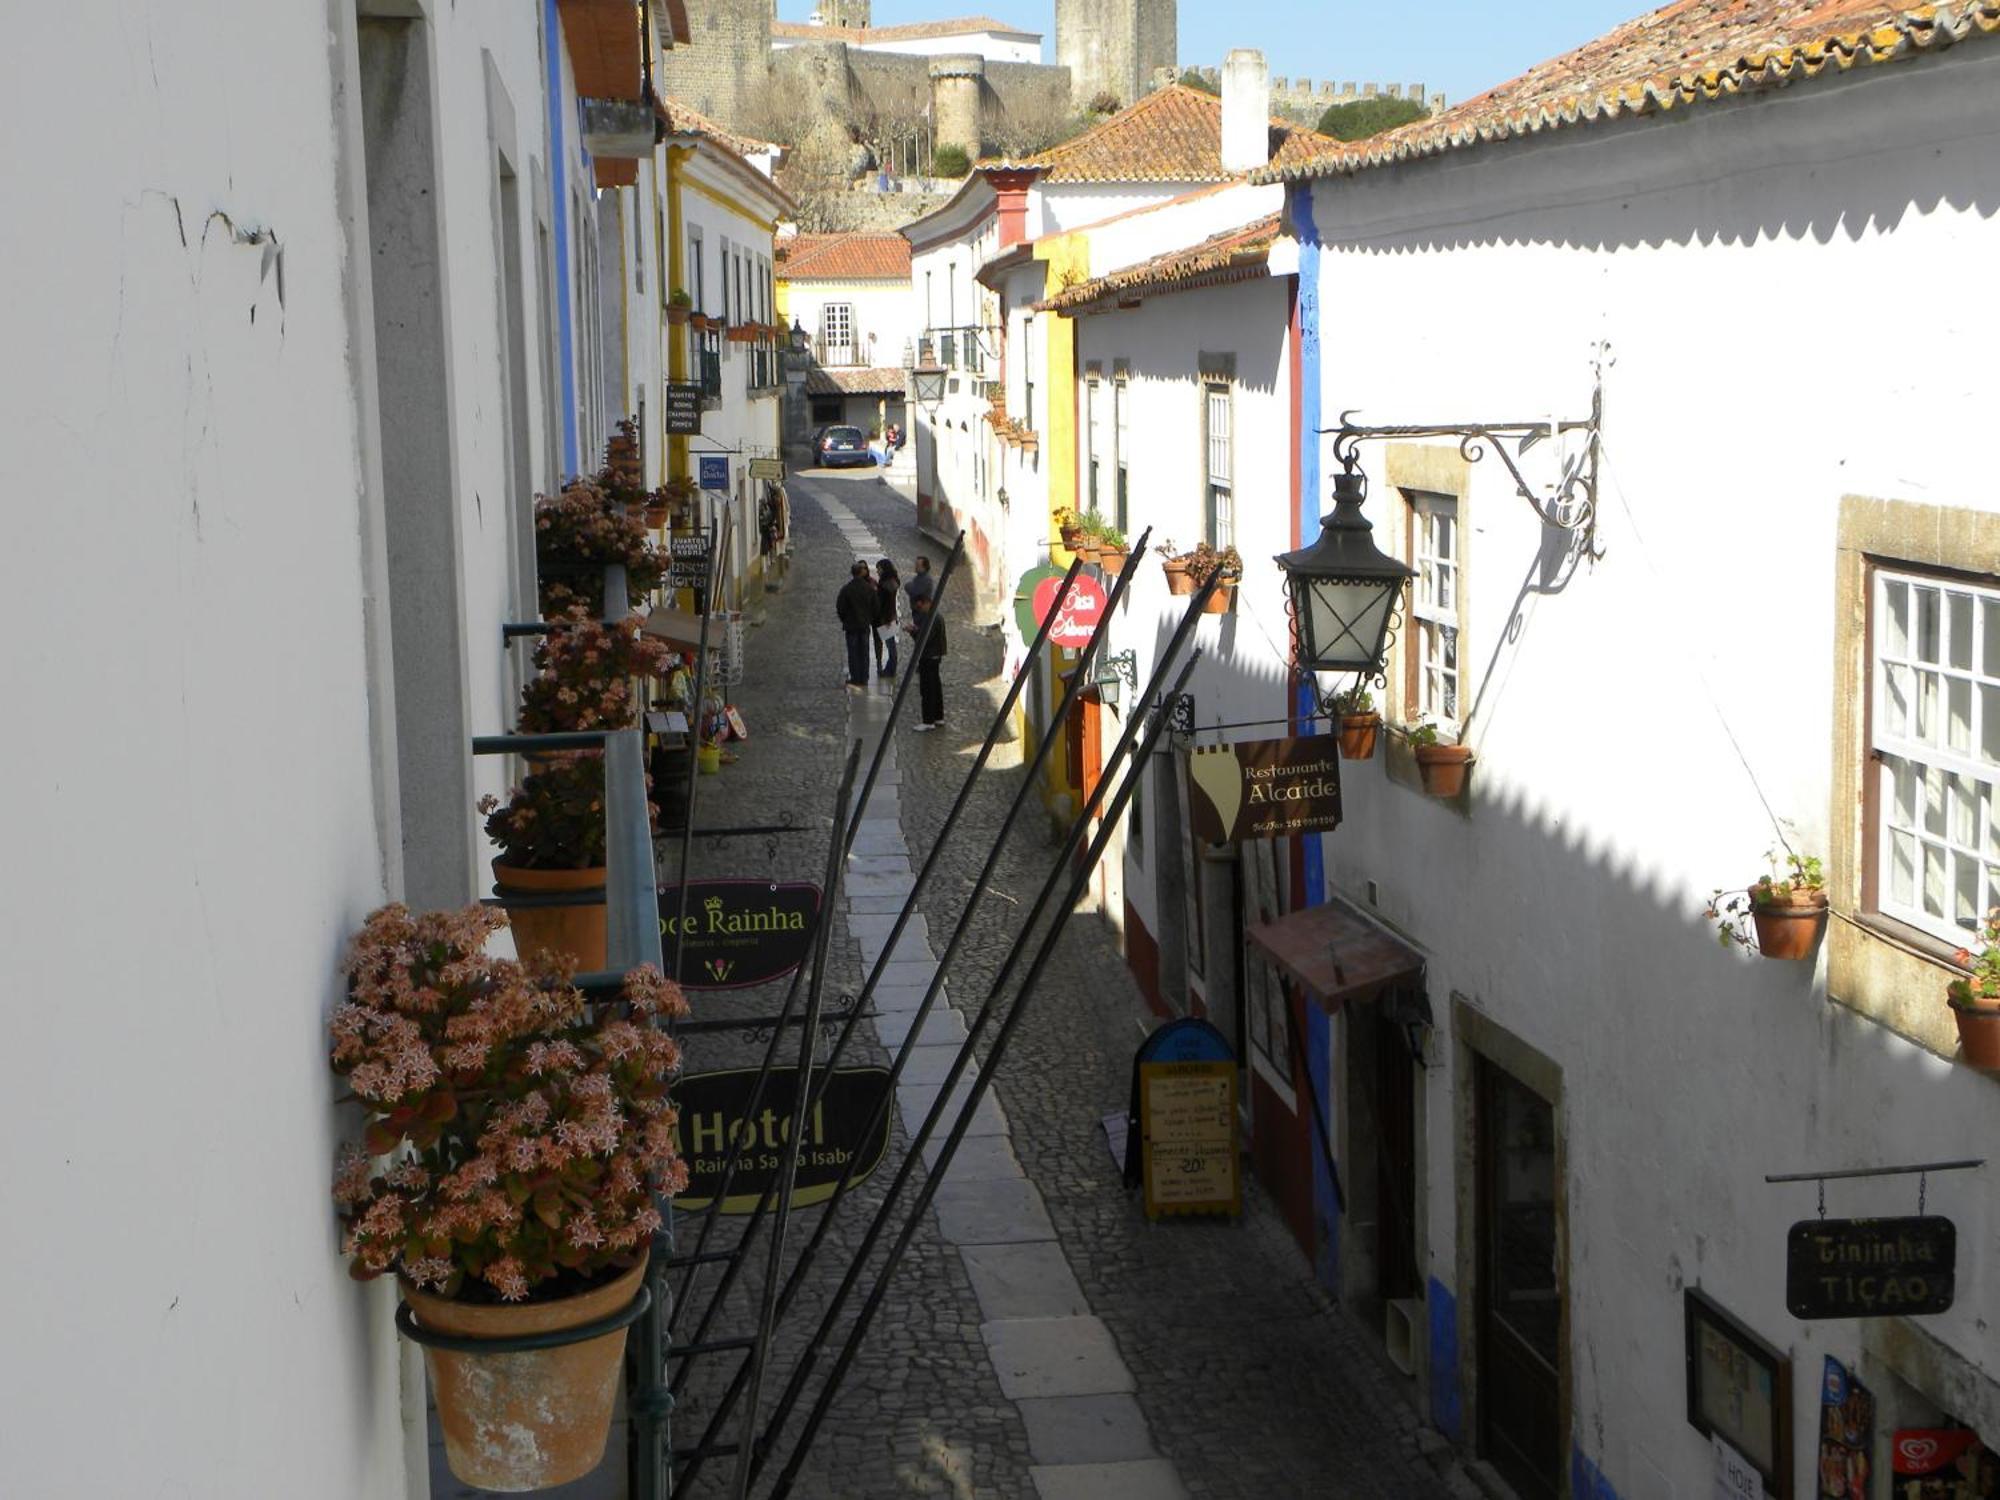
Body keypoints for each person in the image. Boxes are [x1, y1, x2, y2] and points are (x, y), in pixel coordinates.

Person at [835, 559, 877, 692]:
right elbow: (876, 607)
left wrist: (845, 620)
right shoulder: (869, 588)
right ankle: (864, 677)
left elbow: (840, 608)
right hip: (864, 625)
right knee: (864, 652)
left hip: (851, 626)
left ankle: (855, 677)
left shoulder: (847, 589)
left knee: (853, 653)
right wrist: (870, 618)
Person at [908, 591, 946, 730]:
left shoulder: (931, 618)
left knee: (927, 689)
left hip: (928, 656)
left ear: (927, 603)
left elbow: (924, 640)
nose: (920, 609)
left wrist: (913, 631)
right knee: (935, 687)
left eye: (921, 606)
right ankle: (938, 717)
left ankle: (928, 721)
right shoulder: (936, 616)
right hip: (935, 655)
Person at [874, 558, 903, 680]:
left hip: (887, 618)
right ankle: (889, 669)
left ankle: (890, 670)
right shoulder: (892, 581)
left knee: (891, 646)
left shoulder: (886, 583)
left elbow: (885, 603)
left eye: (879, 569)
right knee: (891, 646)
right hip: (890, 616)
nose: (877, 571)